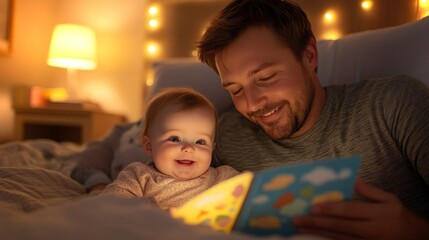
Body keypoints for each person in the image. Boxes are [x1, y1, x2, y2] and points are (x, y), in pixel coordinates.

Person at [197, 0, 429, 239]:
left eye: (266, 77)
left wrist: (412, 230)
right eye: (235, 90)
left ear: (309, 56)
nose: (253, 103)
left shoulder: (395, 104)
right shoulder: (222, 135)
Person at [100, 87, 239, 210]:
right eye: (175, 139)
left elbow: (253, 190)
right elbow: (109, 203)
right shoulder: (140, 175)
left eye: (200, 141)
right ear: (149, 146)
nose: (189, 148)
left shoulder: (221, 178)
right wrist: (154, 213)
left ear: (212, 149)